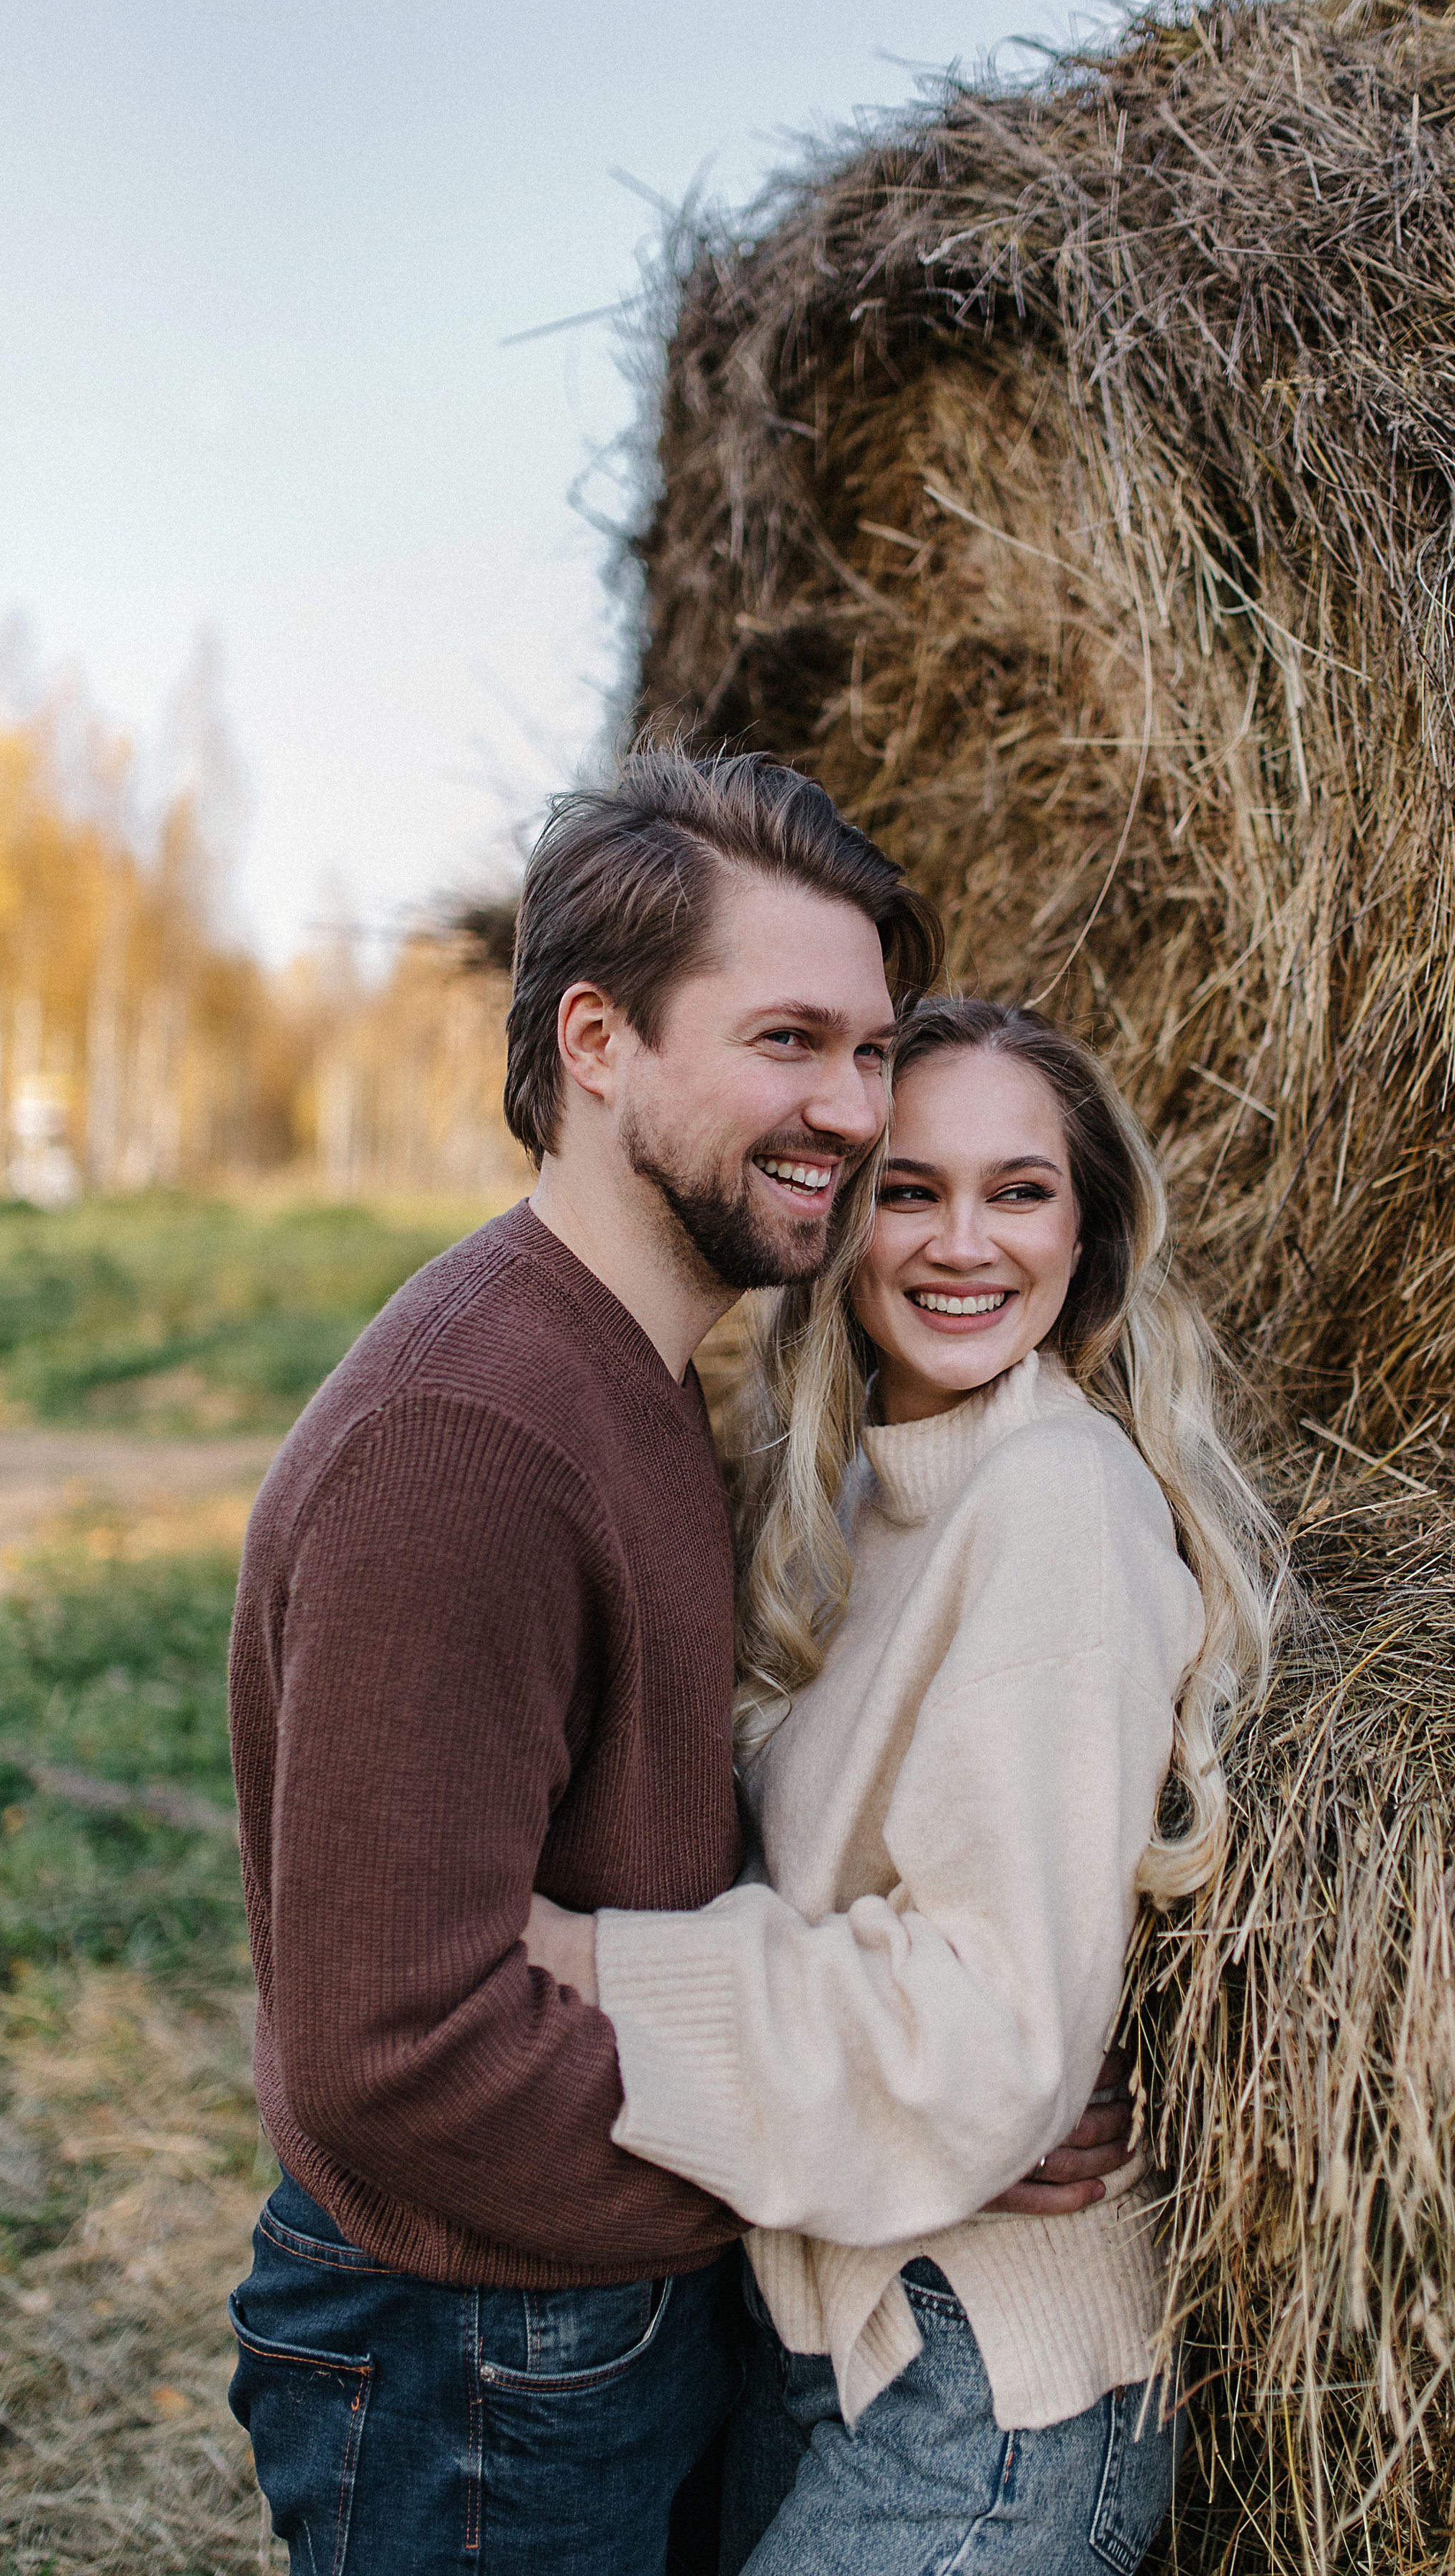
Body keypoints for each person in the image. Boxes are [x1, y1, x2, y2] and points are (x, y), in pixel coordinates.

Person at [224, 746, 1123, 2576]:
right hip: (478, 2357)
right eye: (787, 1041)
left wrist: (918, 2088)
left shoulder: (630, 1381)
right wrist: (880, 2141)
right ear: (598, 1043)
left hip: (574, 2334)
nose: (853, 1113)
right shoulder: (466, 1438)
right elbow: (389, 2054)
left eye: (869, 1051)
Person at [522, 997, 1277, 2575]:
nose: (962, 1245)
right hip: (827, 2324)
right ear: (843, 1225)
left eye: (1019, 1191)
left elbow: (986, 2041)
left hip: (983, 2388)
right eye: (911, 1191)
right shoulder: (851, 1492)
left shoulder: (1053, 1505)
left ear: (1089, 1238)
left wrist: (590, 1968)